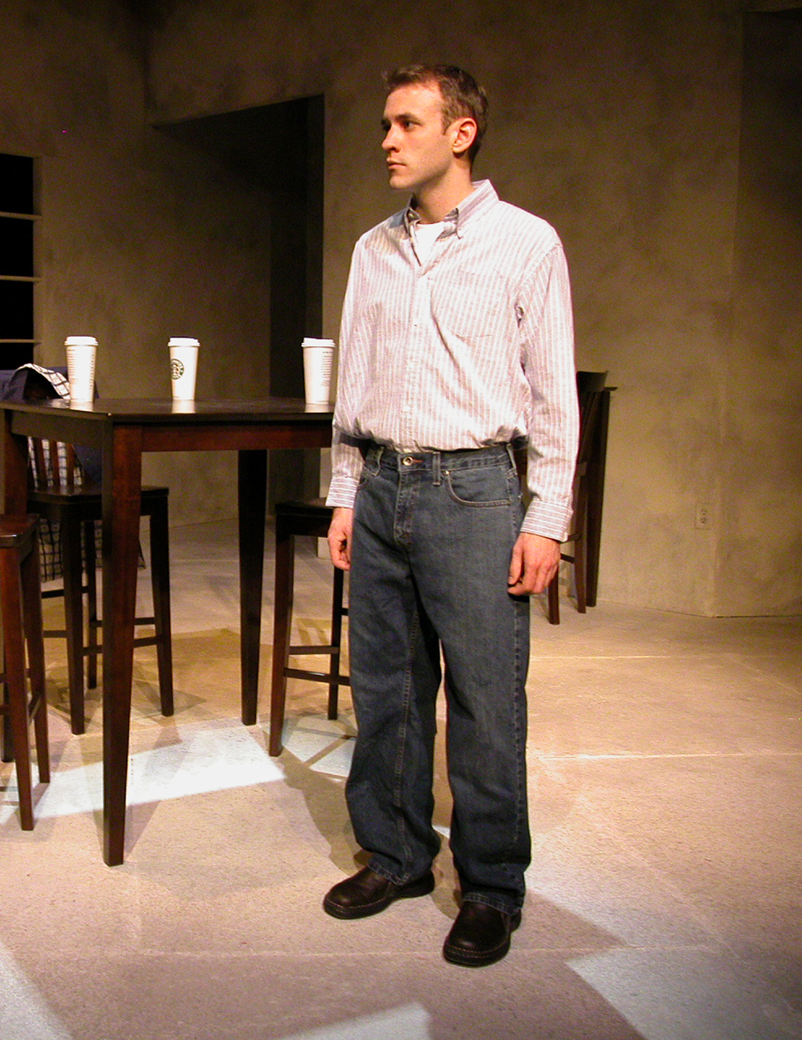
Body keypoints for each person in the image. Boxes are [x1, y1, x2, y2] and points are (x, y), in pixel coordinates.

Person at [322, 64, 577, 967]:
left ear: (460, 132)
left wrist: (547, 517)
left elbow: (552, 395)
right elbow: (354, 382)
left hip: (475, 491)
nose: (387, 140)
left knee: (483, 697)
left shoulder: (526, 243)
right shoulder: (373, 249)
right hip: (382, 484)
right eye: (385, 124)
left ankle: (493, 887)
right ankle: (395, 856)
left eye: (407, 123)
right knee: (386, 689)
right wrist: (345, 492)